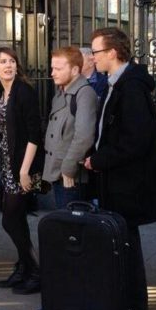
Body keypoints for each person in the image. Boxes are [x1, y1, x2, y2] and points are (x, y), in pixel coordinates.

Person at [84, 27, 156, 310]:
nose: (92, 57)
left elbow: (136, 139)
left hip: (127, 184)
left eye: (95, 51)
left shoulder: (131, 86)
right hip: (115, 180)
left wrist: (100, 160)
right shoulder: (116, 82)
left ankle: (134, 306)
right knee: (122, 245)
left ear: (112, 52)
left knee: (127, 247)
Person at [0, 46, 45, 295]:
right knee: (16, 218)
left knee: (10, 219)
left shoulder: (24, 92)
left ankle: (35, 271)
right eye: (2, 62)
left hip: (24, 166)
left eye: (11, 61)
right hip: (9, 165)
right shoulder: (1, 94)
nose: (8, 65)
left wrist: (24, 171)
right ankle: (24, 269)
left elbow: (34, 134)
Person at [43, 46, 97, 209]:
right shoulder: (61, 93)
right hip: (57, 172)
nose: (53, 73)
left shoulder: (84, 93)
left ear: (74, 70)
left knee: (74, 229)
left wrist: (68, 168)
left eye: (58, 69)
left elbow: (84, 136)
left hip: (72, 176)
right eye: (53, 68)